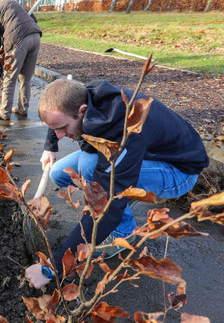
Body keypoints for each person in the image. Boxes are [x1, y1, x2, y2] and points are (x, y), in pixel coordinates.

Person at [25, 78, 209, 288]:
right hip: (148, 154)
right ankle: (125, 192)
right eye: (55, 129)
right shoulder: (86, 96)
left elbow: (107, 205)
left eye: (63, 128)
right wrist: (50, 146)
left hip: (178, 171)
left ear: (83, 111)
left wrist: (53, 266)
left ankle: (124, 230)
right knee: (59, 173)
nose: (60, 136)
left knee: (91, 167)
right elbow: (59, 112)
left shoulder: (122, 131)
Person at [0, 0, 41, 120]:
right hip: (35, 36)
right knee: (25, 78)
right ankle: (23, 108)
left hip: (19, 40)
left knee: (9, 77)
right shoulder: (10, 3)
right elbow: (33, 18)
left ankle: (4, 113)